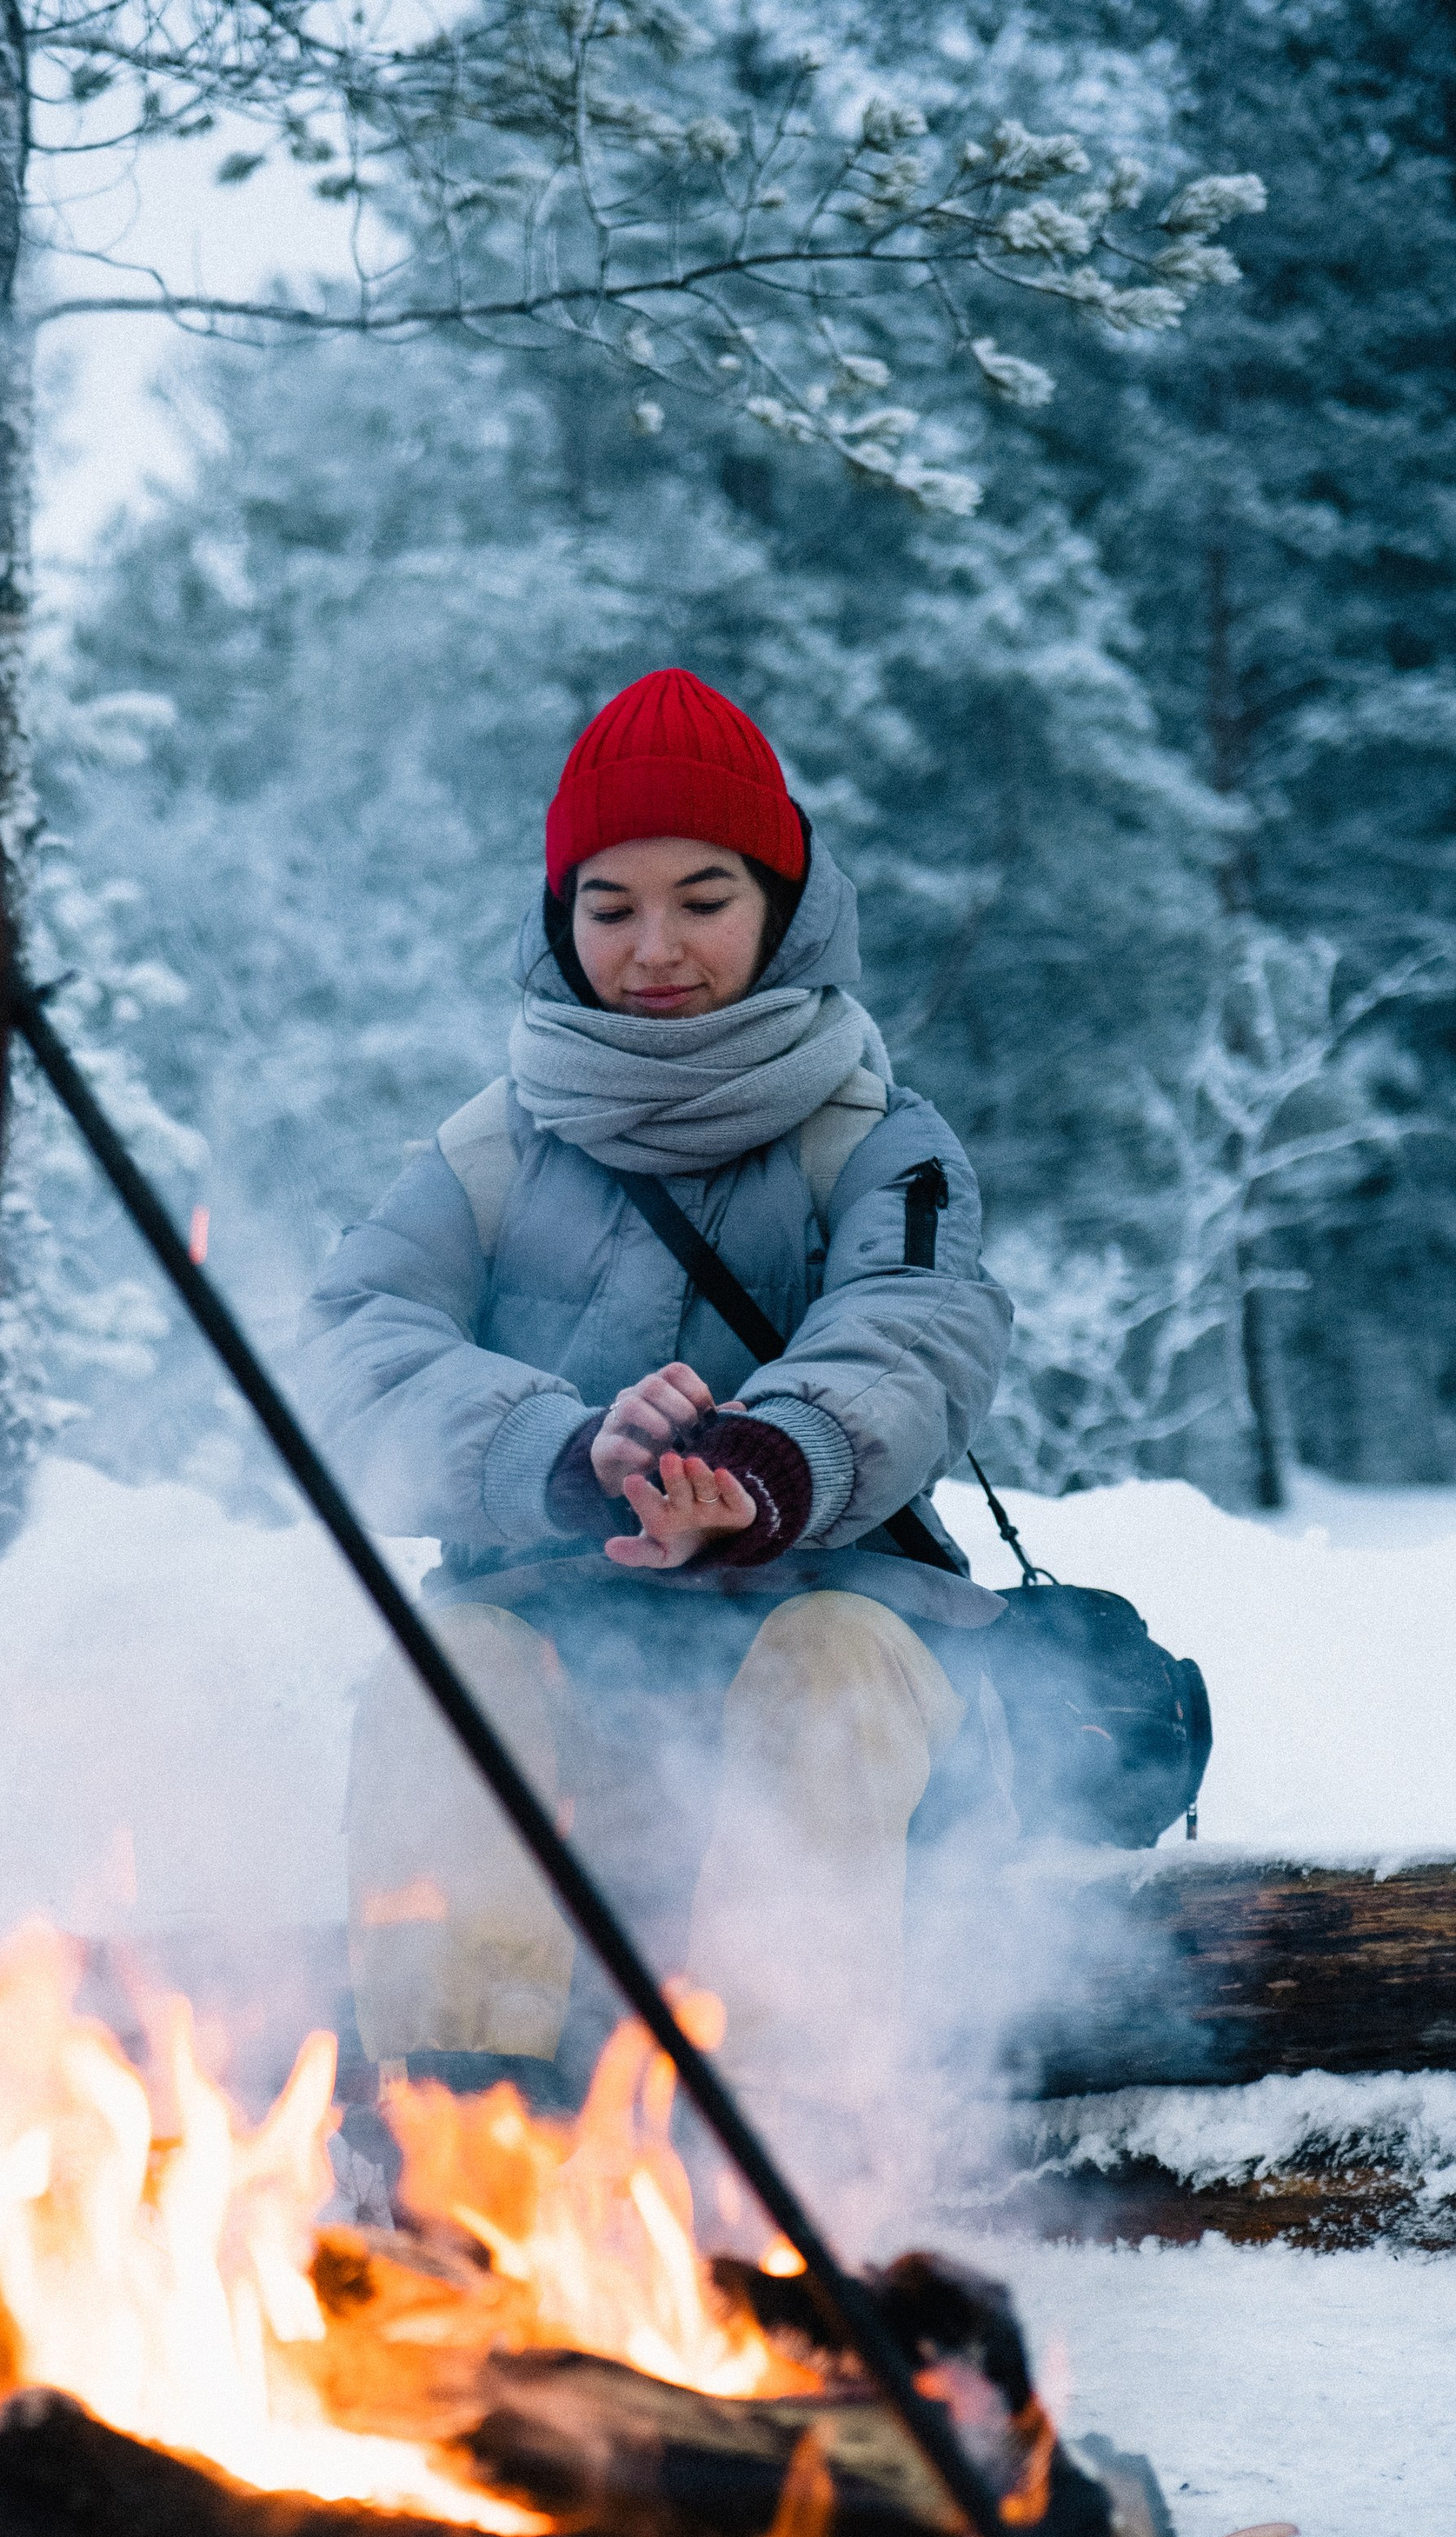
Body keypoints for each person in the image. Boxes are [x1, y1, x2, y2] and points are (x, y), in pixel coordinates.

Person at [297, 667, 1013, 2147]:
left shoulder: (879, 1140)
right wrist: (556, 1451)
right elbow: (351, 1345)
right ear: (559, 917)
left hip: (858, 1669)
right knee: (455, 1671)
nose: (655, 947)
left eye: (702, 897)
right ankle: (462, 2163)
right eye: (609, 905)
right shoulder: (487, 1150)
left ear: (784, 907)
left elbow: (919, 1324)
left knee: (825, 1658)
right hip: (582, 1691)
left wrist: (768, 1461)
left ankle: (787, 2166)